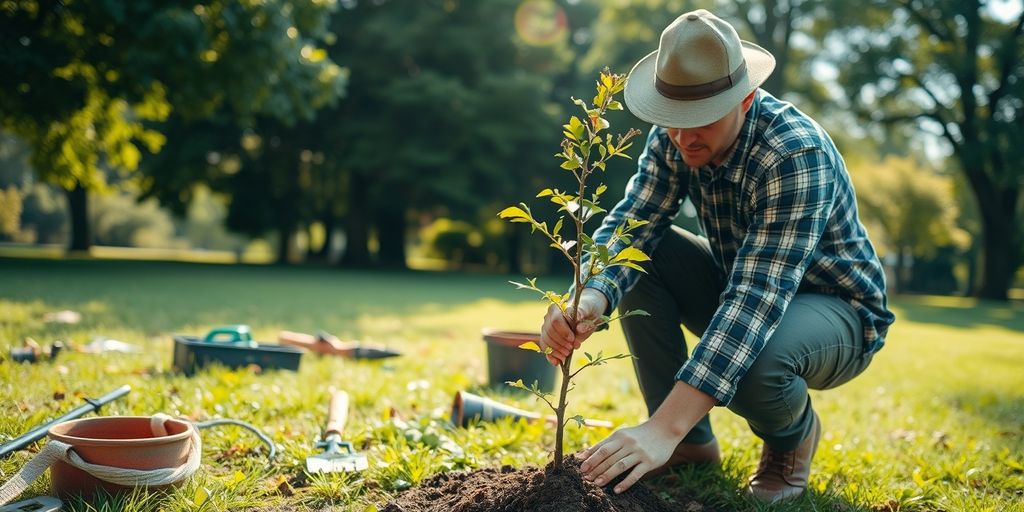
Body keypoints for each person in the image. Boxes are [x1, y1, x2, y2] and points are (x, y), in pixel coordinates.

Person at [537, 9, 896, 503]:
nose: (683, 137)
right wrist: (593, 295)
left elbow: (756, 299)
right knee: (646, 252)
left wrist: (660, 427)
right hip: (742, 288)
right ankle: (690, 446)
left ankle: (791, 440)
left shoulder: (794, 154)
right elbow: (633, 222)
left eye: (699, 120)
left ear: (744, 99)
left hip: (838, 312)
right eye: (672, 120)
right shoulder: (675, 134)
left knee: (758, 363)